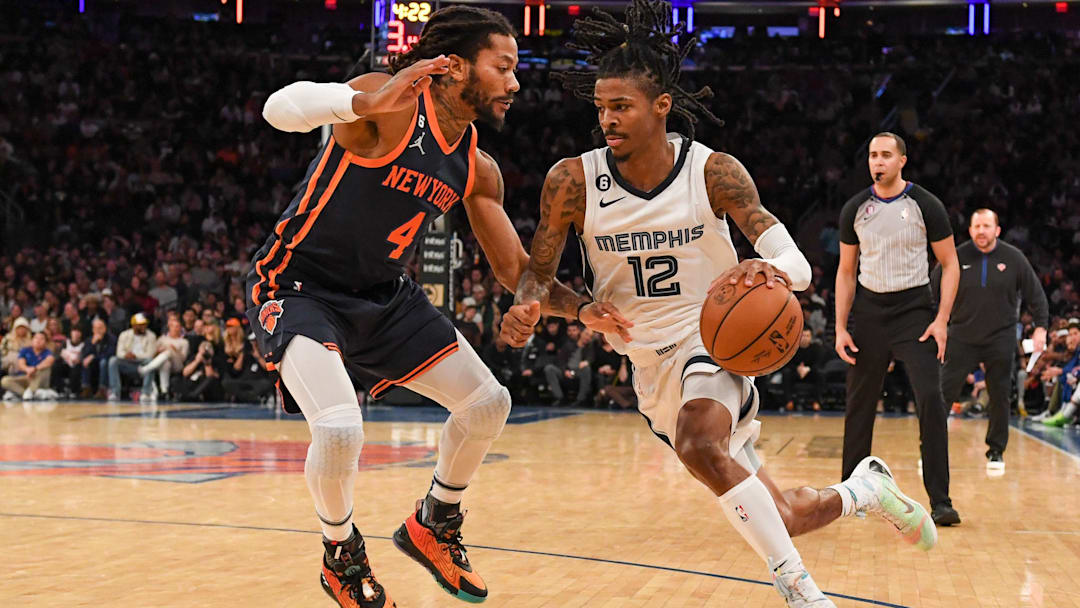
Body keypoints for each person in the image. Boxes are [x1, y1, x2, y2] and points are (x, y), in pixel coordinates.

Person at [501, 4, 936, 606]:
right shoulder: (572, 181)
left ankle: (802, 592)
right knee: (783, 514)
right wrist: (554, 308)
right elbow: (539, 277)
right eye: (600, 107)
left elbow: (798, 266)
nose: (606, 120)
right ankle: (865, 491)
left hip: (713, 340)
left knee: (699, 444)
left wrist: (768, 269)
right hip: (648, 367)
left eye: (621, 106)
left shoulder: (712, 172)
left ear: (661, 105)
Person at [251, 7, 625, 606]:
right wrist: (363, 102)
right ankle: (341, 555)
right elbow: (278, 107)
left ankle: (434, 522)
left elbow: (516, 273)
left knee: (488, 403)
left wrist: (581, 311)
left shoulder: (476, 166)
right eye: (502, 67)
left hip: (384, 296)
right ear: (454, 67)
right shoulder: (388, 104)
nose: (515, 83)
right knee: (340, 430)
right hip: (300, 286)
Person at [834, 132, 962, 527]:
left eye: (886, 155)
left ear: (902, 160)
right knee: (859, 405)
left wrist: (941, 320)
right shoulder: (855, 208)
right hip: (870, 313)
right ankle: (851, 495)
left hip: (914, 312)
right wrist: (840, 327)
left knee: (931, 399)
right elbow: (846, 271)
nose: (878, 161)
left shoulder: (926, 205)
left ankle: (941, 500)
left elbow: (950, 264)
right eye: (873, 155)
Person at [932, 209, 1049, 472]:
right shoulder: (956, 256)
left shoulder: (1014, 258)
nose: (981, 231)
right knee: (942, 393)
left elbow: (1037, 295)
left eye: (986, 226)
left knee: (999, 395)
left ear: (997, 230)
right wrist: (934, 322)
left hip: (1000, 337)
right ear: (970, 230)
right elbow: (931, 291)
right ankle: (930, 447)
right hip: (961, 335)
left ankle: (996, 451)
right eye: (977, 226)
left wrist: (1041, 328)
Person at [107, 312, 158, 401]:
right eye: (140, 325)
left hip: (143, 363)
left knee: (150, 361)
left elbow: (150, 354)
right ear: (134, 325)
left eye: (145, 324)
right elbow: (119, 352)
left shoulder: (151, 336)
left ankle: (146, 393)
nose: (144, 327)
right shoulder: (124, 335)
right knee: (113, 360)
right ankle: (115, 392)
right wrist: (125, 355)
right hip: (128, 363)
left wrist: (135, 355)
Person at [1, 331, 56, 400]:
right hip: (25, 376)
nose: (38, 340)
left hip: (38, 378)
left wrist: (35, 369)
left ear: (45, 342)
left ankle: (28, 392)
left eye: (41, 339)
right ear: (32, 340)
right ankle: (27, 393)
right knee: (5, 380)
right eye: (36, 338)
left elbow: (50, 361)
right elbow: (21, 364)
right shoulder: (25, 350)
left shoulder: (47, 352)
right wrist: (27, 369)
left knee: (45, 369)